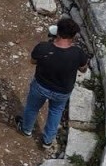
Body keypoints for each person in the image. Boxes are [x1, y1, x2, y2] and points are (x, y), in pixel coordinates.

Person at [18, 18, 90, 150]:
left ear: (58, 32)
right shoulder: (78, 53)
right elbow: (83, 69)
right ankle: (47, 141)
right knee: (56, 112)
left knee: (32, 108)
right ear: (73, 36)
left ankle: (26, 129)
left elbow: (33, 61)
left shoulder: (43, 48)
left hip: (40, 86)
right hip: (62, 91)